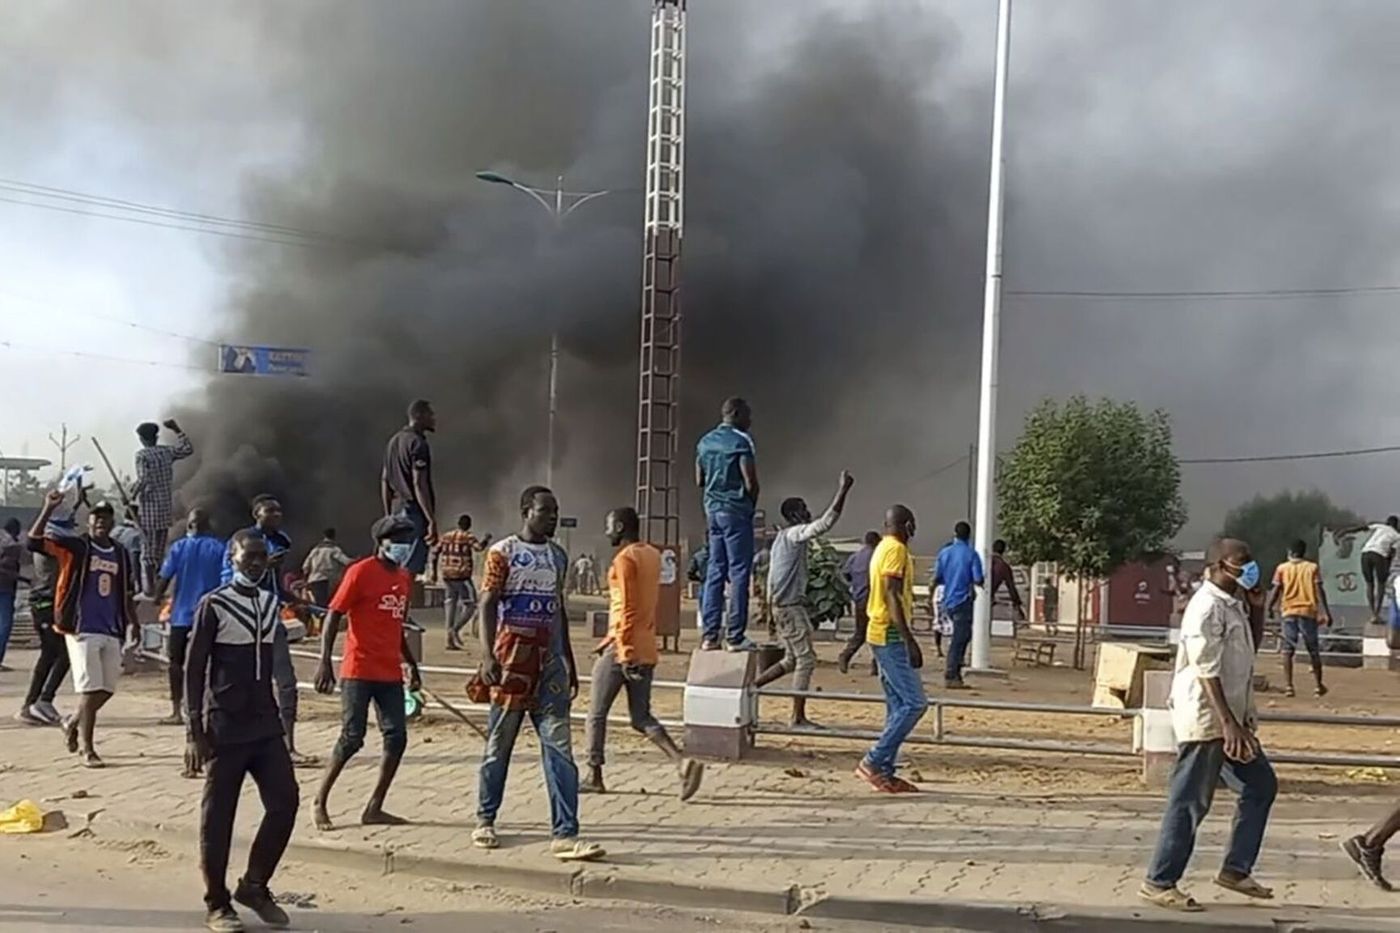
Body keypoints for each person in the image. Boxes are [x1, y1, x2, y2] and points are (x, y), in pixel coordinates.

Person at [1140, 538, 1277, 912]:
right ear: (1218, 565)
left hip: (1233, 718)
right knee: (1189, 802)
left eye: (1250, 561)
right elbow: (1206, 670)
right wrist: (1228, 724)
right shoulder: (1205, 607)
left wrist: (1258, 610)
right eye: (1241, 562)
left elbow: (1247, 652)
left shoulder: (1233, 604)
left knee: (1261, 785)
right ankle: (1159, 880)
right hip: (1207, 720)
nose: (1249, 568)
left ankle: (1235, 870)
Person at [471, 486, 603, 862]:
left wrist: (569, 661)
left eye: (556, 511)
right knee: (499, 745)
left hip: (549, 666)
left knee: (559, 747)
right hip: (511, 660)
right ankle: (485, 818)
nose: (553, 517)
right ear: (526, 511)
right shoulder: (503, 553)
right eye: (546, 511)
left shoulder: (559, 557)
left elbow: (558, 610)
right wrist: (486, 655)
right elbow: (487, 603)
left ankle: (565, 833)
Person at [185, 530, 299, 932]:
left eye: (260, 556)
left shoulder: (270, 604)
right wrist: (193, 730)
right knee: (218, 818)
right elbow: (193, 668)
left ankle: (254, 885)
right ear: (232, 558)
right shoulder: (213, 604)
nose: (254, 562)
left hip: (264, 725)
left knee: (285, 803)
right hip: (224, 726)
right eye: (247, 555)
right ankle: (217, 903)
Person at [582, 507, 703, 799]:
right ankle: (681, 762)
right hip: (646, 644)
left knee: (596, 713)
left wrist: (623, 651)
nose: (607, 531)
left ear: (621, 527)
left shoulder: (624, 560)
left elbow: (627, 607)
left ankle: (594, 774)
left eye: (609, 526)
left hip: (623, 647)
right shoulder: (651, 554)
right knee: (641, 716)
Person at [312, 516, 422, 831]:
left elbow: (397, 625)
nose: (403, 548)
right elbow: (334, 615)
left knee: (397, 738)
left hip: (389, 673)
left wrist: (411, 664)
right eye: (398, 541)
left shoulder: (403, 579)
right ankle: (320, 800)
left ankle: (375, 806)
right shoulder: (360, 572)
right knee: (351, 738)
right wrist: (325, 661)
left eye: (407, 542)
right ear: (382, 543)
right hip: (358, 669)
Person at [28, 492, 138, 768]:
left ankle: (72, 720)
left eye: (106, 517)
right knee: (90, 690)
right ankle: (88, 748)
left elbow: (126, 592)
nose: (101, 521)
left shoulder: (121, 553)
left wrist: (133, 623)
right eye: (96, 517)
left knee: (108, 688)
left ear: (113, 522)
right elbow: (34, 541)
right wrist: (48, 508)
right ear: (88, 522)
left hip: (112, 627)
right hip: (81, 627)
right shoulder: (76, 547)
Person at [754, 472, 855, 729]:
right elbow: (825, 524)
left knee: (791, 660)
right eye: (804, 510)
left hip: (784, 606)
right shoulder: (793, 534)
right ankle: (797, 717)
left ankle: (751, 688)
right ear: (796, 515)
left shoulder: (781, 539)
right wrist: (842, 491)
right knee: (806, 660)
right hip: (789, 607)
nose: (808, 513)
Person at [224, 495, 315, 766]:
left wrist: (295, 600)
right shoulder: (242, 541)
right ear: (256, 514)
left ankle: (288, 746)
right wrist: (264, 568)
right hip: (243, 622)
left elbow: (274, 585)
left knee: (286, 683)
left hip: (271, 621)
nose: (276, 515)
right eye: (269, 511)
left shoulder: (280, 543)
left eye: (279, 511)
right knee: (240, 683)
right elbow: (233, 579)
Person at [857, 505, 927, 793]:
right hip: (890, 634)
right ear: (907, 525)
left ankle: (884, 771)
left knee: (897, 705)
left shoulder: (881, 548)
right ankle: (873, 761)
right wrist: (910, 639)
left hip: (879, 632)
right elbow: (892, 595)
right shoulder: (896, 551)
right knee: (915, 703)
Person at [154, 508, 227, 736]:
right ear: (208, 525)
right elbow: (226, 580)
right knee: (211, 663)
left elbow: (164, 578)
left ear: (189, 525)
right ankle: (208, 708)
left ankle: (177, 710)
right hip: (210, 615)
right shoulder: (220, 548)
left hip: (181, 616)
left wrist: (156, 597)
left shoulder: (178, 548)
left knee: (176, 663)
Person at [696, 397, 759, 652]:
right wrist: (749, 507)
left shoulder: (704, 442)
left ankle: (710, 636)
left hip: (712, 511)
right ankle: (735, 636)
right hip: (736, 512)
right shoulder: (741, 442)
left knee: (714, 571)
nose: (750, 421)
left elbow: (699, 479)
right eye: (747, 415)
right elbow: (751, 482)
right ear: (734, 414)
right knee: (739, 572)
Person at [14, 517, 69, 725]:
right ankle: (41, 701)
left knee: (50, 654)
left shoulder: (52, 545)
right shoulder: (46, 547)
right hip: (45, 603)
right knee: (60, 653)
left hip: (48, 603)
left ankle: (34, 703)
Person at [133, 418, 194, 596]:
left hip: (150, 507)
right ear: (157, 437)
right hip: (165, 507)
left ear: (142, 439)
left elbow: (143, 479)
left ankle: (150, 589)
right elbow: (188, 449)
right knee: (159, 550)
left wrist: (131, 495)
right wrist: (177, 429)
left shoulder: (142, 455)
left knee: (147, 550)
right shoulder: (166, 452)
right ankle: (159, 587)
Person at [1267, 539, 1331, 699]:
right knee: (1313, 650)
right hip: (1308, 612)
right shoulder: (1312, 568)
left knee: (1288, 650)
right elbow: (1319, 589)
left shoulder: (1282, 568)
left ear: (1290, 552)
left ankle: (1289, 686)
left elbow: (1276, 589)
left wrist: (1269, 607)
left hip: (1288, 611)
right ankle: (1318, 686)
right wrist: (1326, 612)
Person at [381, 399, 438, 577]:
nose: (434, 419)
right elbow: (419, 484)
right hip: (412, 512)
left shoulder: (393, 442)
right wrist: (431, 520)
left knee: (392, 568)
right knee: (408, 571)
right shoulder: (417, 444)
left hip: (396, 512)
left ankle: (391, 604)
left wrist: (388, 515)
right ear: (419, 416)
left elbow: (384, 480)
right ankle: (403, 604)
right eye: (430, 415)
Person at [933, 522, 985, 689]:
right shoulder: (971, 554)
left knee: (957, 636)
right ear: (969, 535)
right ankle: (952, 674)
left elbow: (937, 577)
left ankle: (954, 671)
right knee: (960, 638)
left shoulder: (944, 553)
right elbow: (978, 578)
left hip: (948, 599)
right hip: (963, 600)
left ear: (954, 534)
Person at [1336, 517, 1400, 624]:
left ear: (1387, 523)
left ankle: (1372, 613)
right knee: (1381, 584)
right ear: (1396, 525)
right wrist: (1387, 569)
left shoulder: (1380, 526)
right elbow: (1391, 553)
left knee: (1369, 584)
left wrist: (1345, 531)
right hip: (1380, 555)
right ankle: (1376, 614)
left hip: (1366, 554)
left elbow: (1361, 528)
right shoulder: (1397, 536)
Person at [437, 514, 488, 650]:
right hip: (461, 575)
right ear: (468, 525)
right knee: (471, 604)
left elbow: (435, 551)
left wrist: (434, 572)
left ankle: (449, 637)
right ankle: (455, 629)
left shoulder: (446, 536)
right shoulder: (468, 536)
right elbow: (479, 548)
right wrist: (486, 540)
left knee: (450, 604)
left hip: (447, 574)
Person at [837, 531, 882, 676]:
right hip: (875, 600)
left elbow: (845, 574)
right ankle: (876, 666)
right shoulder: (878, 556)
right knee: (879, 633)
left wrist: (855, 585)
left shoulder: (855, 557)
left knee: (860, 633)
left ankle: (845, 656)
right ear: (877, 542)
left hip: (859, 599)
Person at [302, 528, 352, 609]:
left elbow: (305, 567)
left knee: (318, 604)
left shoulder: (315, 550)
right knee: (328, 604)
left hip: (313, 580)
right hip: (326, 581)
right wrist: (357, 561)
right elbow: (346, 562)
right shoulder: (333, 550)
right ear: (333, 536)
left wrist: (305, 580)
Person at [0, 517, 21, 669]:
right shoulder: (12, 545)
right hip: (5, 590)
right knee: (4, 626)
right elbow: (8, 570)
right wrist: (25, 579)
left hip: (7, 589)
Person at [989, 539, 1026, 622]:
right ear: (1004, 551)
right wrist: (1017, 604)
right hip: (989, 597)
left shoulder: (985, 561)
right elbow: (1011, 586)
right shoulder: (1003, 566)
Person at [111, 505, 145, 595]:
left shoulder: (114, 531)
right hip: (124, 575)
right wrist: (138, 583)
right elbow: (135, 560)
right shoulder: (136, 535)